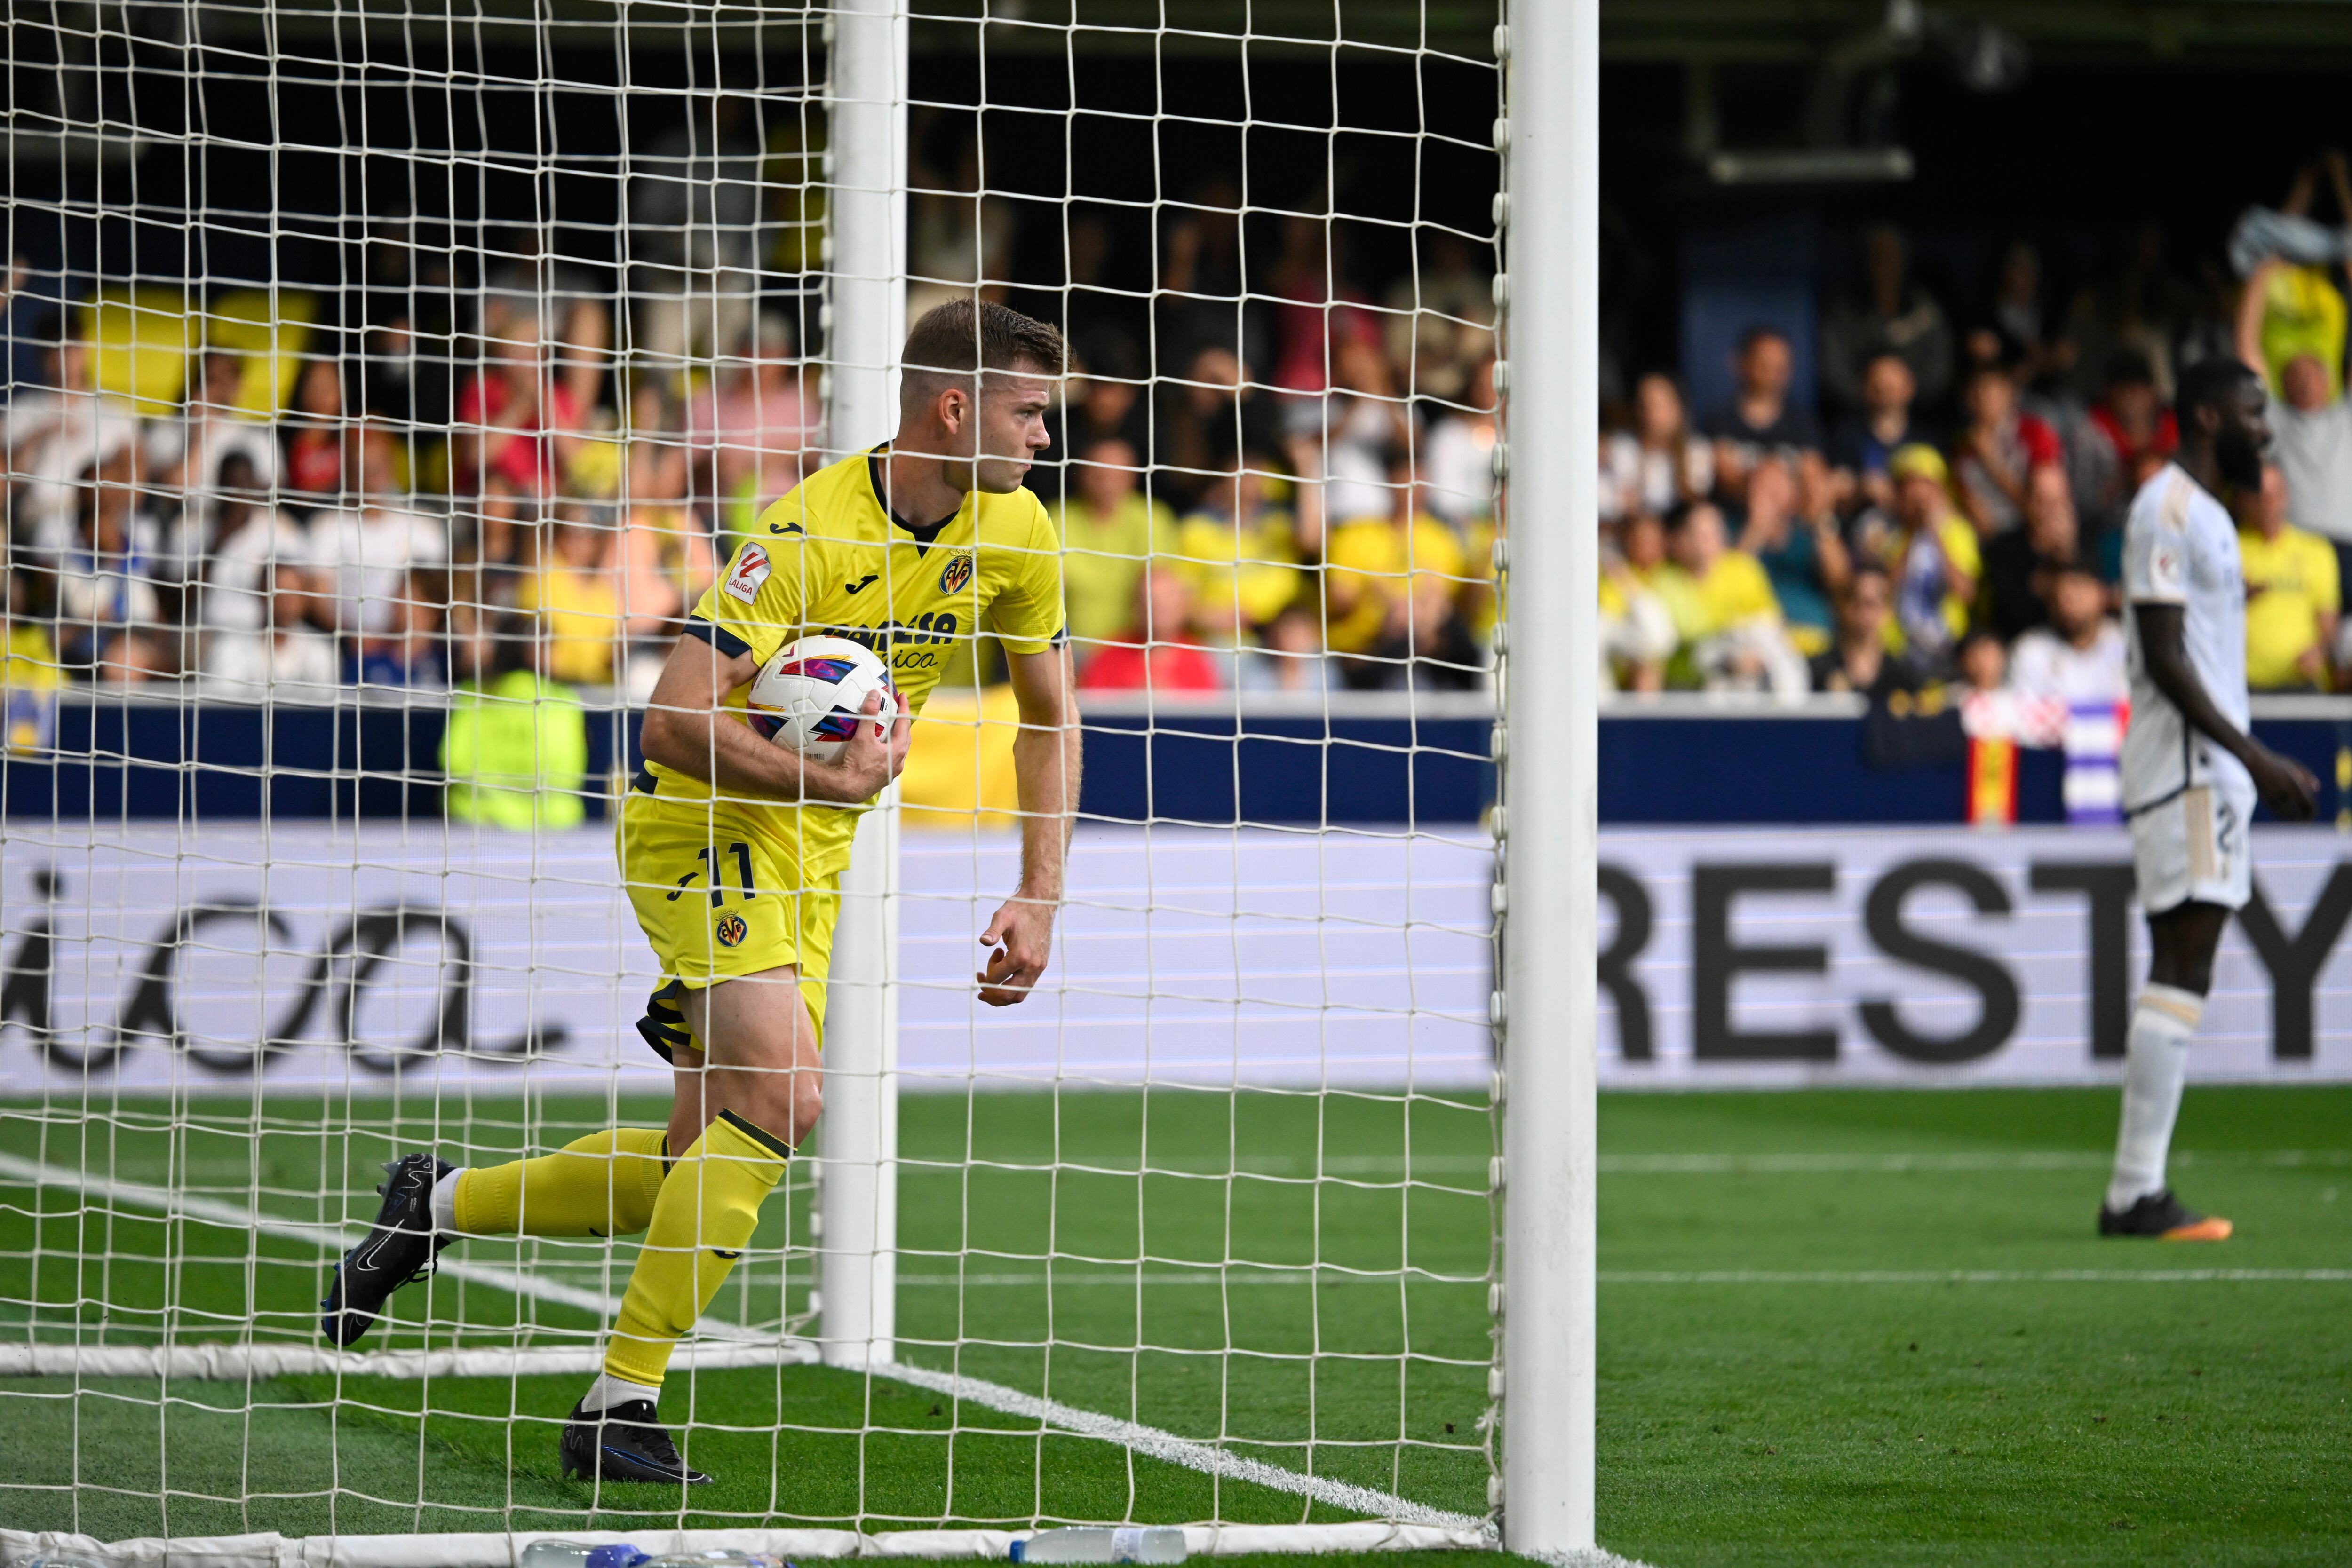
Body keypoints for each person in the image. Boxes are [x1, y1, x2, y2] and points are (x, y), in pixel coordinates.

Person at [322, 300, 1082, 1486]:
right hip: (707, 827)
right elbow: (671, 720)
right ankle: (618, 1402)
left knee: (698, 1157)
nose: (1044, 436)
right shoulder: (805, 530)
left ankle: (438, 1204)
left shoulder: (1020, 532)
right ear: (954, 406)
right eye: (1030, 411)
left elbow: (1050, 713)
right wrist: (821, 771)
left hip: (814, 850)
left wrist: (1041, 891)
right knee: (784, 1099)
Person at [2105, 357, 2318, 1243]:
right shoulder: (2168, 507)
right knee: (2184, 957)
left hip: (2206, 768)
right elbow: (2163, 654)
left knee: (2185, 958)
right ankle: (2135, 1193)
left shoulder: (2215, 518)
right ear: (2204, 414)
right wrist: (2255, 755)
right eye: (2251, 413)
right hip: (2190, 767)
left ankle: (2136, 1189)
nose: (2264, 430)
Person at [2235, 256, 2352, 570]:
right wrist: (2261, 276)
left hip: (2349, 545)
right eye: (2293, 373)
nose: (2303, 380)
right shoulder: (2276, 420)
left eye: (2312, 370)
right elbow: (2247, 352)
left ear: (2329, 380)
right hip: (2298, 548)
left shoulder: (2346, 415)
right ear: (2281, 385)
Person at [1052, 435, 1173, 661]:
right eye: (1099, 474)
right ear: (1082, 475)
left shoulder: (1151, 518)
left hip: (1134, 648)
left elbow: (1159, 587)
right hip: (1070, 646)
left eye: (1116, 474)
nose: (1106, 482)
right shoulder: (1058, 519)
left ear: (1132, 477)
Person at [1819, 223, 1955, 414]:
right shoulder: (1844, 310)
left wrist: (1904, 395)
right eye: (1878, 256)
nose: (1886, 263)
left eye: (1892, 255)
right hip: (1857, 418)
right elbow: (1834, 373)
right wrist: (1872, 396)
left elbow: (1939, 373)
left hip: (1919, 418)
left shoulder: (1926, 309)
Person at [2236, 461, 2340, 692]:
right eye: (2260, 495)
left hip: (2303, 684)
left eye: (2275, 494)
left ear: (2287, 496)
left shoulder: (2317, 550)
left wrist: (2321, 651)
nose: (2269, 504)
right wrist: (2234, 597)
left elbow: (2329, 621)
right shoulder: (2229, 547)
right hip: (2243, 685)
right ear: (2243, 499)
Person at [1700, 326, 1820, 506]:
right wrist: (1764, 477)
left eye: (1781, 366)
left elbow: (1815, 482)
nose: (1773, 373)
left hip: (1791, 520)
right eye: (1765, 364)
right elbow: (1725, 476)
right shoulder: (1719, 420)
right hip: (1734, 520)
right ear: (1742, 364)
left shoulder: (1803, 424)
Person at [1883, 444, 1980, 666]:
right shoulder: (1889, 533)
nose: (1918, 496)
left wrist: (1935, 535)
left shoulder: (1959, 531)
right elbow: (1884, 589)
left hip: (1947, 646)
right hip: (1900, 647)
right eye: (1909, 486)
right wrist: (1912, 536)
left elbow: (1964, 592)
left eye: (1926, 485)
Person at [1951, 359, 2062, 537]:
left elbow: (2040, 507)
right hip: (1990, 541)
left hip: (2034, 533)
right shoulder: (1962, 448)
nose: (1982, 400)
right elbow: (1975, 514)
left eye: (1990, 391)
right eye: (1975, 393)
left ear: (2009, 393)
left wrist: (1990, 459)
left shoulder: (2034, 432)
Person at [201, 562, 340, 702]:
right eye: (280, 594)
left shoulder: (320, 651)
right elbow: (220, 705)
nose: (288, 603)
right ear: (262, 595)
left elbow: (324, 709)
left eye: (294, 595)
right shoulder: (230, 649)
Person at [1978, 464, 2083, 642]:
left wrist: (2067, 555)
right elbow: (2012, 612)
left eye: (2058, 501)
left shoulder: (2086, 543)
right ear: (2027, 502)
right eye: (2042, 501)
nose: (2051, 511)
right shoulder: (2004, 549)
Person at [1078, 565, 1224, 693]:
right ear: (1136, 606)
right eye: (1149, 600)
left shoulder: (1200, 660)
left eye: (1165, 601)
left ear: (1183, 605)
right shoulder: (1107, 656)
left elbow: (1206, 714)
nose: (1156, 608)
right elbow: (1091, 710)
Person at [1599, 372, 1712, 524]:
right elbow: (1605, 500)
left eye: (1659, 405)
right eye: (1645, 405)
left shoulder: (1697, 451)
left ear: (1677, 409)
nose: (1651, 413)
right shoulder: (1622, 448)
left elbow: (1695, 502)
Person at [2009, 563, 2128, 706]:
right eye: (2059, 597)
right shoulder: (2030, 651)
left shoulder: (2127, 644)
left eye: (2077, 594)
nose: (2066, 605)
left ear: (2102, 593)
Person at [1808, 563, 1927, 699]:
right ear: (1844, 608)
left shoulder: (1903, 677)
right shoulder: (1818, 671)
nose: (1864, 614)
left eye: (1871, 604)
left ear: (1888, 611)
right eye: (1857, 602)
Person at [1827, 352, 1922, 515]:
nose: (1884, 392)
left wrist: (1894, 496)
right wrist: (1861, 488)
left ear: (1909, 388)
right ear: (1864, 388)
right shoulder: (1846, 435)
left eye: (1892, 386)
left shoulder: (1924, 440)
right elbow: (1834, 488)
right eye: (1877, 384)